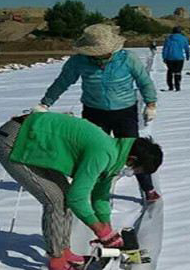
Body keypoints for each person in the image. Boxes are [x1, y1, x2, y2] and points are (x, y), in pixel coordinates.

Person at [0, 111, 163, 270]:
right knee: (55, 200)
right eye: (136, 170)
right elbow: (77, 197)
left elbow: (100, 195)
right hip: (13, 141)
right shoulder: (103, 152)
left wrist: (107, 228)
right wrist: (101, 231)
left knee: (63, 197)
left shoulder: (116, 153)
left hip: (33, 140)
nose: (132, 173)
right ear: (132, 159)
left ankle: (64, 251)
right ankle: (57, 261)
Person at [33, 24, 162, 203]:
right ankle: (91, 189)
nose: (100, 58)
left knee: (135, 151)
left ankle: (147, 188)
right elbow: (62, 82)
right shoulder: (78, 62)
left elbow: (144, 82)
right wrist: (45, 104)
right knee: (92, 151)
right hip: (94, 112)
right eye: (95, 55)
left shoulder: (127, 59)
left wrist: (151, 104)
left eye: (104, 54)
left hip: (124, 112)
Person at [162, 26, 190, 91]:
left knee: (170, 72)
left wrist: (164, 57)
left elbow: (165, 49)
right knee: (178, 72)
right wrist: (188, 56)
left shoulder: (168, 39)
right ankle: (177, 86)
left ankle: (170, 86)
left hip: (169, 58)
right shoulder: (184, 38)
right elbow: (187, 48)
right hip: (179, 58)